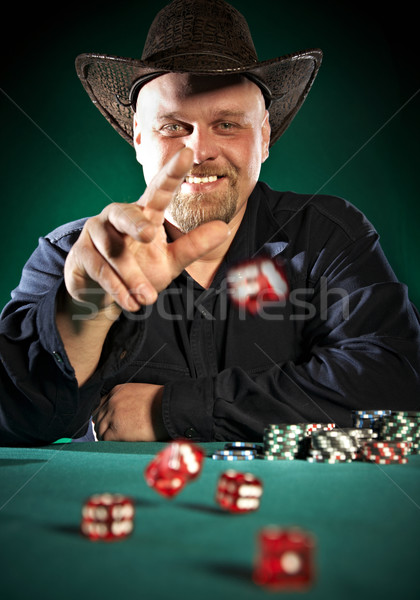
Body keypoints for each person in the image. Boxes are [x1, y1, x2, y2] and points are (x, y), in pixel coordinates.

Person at [0, 0, 419, 446]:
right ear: (138, 138)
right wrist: (82, 313)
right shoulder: (73, 256)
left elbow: (397, 385)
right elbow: (11, 417)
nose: (199, 152)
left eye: (227, 124)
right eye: (173, 127)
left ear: (264, 139)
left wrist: (171, 411)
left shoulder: (328, 237)